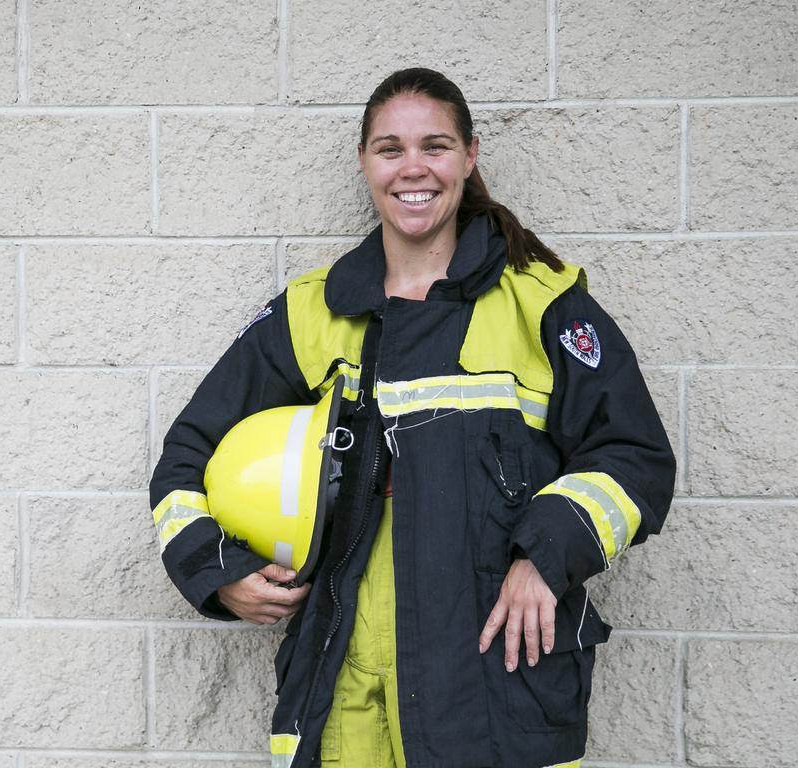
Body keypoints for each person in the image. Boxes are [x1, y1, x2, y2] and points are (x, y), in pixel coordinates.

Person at [150, 67, 675, 768]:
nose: (413, 168)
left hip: (491, 687)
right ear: (364, 163)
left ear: (469, 156)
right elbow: (189, 450)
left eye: (435, 145)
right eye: (389, 149)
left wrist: (546, 557)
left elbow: (633, 455)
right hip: (342, 685)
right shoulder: (313, 311)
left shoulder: (541, 304)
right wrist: (218, 569)